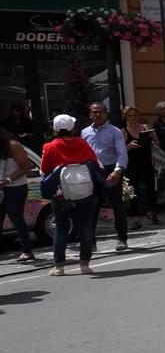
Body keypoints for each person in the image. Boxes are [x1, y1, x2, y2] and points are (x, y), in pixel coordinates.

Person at [40, 114, 102, 275]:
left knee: (61, 228)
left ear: (55, 129)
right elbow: (95, 163)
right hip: (84, 190)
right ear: (72, 128)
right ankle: (85, 265)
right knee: (85, 227)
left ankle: (59, 266)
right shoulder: (82, 144)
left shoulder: (49, 147)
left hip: (61, 192)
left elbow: (44, 170)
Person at [81, 102, 129, 252]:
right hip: (93, 171)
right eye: (94, 112)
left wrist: (117, 171)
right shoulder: (85, 132)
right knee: (92, 207)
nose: (97, 115)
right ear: (90, 114)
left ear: (105, 113)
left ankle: (122, 238)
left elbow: (122, 153)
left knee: (117, 205)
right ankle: (91, 242)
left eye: (100, 112)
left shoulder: (114, 131)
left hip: (111, 170)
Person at [1, 125, 36, 263]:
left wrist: (8, 180)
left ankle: (27, 250)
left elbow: (26, 167)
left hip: (15, 187)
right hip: (1, 188)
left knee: (16, 217)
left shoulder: (13, 146)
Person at [122, 106, 158, 228]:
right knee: (134, 191)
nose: (133, 118)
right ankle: (136, 218)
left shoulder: (145, 128)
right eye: (130, 116)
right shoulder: (123, 131)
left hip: (147, 162)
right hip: (132, 164)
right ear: (126, 117)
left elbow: (156, 144)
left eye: (135, 115)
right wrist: (128, 146)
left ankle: (152, 212)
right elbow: (120, 150)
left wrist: (153, 137)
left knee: (151, 188)